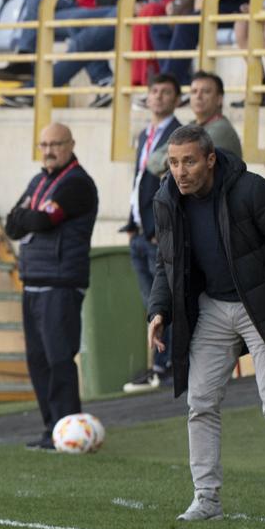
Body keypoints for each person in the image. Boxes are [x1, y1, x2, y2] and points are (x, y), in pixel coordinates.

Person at [147, 125, 265, 522]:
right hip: (213, 309)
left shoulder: (251, 190)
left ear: (209, 158)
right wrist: (159, 311)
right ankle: (206, 500)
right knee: (199, 403)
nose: (180, 171)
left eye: (189, 161)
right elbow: (166, 264)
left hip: (261, 308)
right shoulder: (167, 198)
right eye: (173, 162)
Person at [4, 123, 99, 450]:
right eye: (43, 144)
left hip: (61, 281)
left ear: (71, 144)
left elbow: (43, 220)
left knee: (58, 357)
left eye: (56, 144)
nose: (48, 150)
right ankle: (52, 430)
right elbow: (11, 224)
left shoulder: (77, 184)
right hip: (33, 280)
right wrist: (30, 214)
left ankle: (68, 427)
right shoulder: (39, 179)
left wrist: (29, 214)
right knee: (38, 359)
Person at [120, 75, 186, 394]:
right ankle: (160, 364)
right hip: (139, 231)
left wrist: (164, 228)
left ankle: (166, 364)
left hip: (159, 233)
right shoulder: (146, 134)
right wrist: (131, 223)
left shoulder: (179, 134)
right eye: (154, 91)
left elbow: (174, 186)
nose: (158, 97)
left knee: (164, 301)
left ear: (176, 99)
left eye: (166, 92)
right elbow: (138, 181)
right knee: (151, 303)